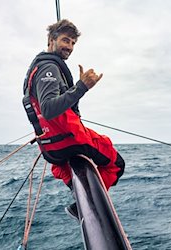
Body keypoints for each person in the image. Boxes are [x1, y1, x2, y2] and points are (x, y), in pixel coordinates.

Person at [22, 19, 125, 220]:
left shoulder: (39, 67)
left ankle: (80, 198)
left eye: (72, 43)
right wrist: (81, 87)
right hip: (69, 140)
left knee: (66, 170)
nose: (69, 47)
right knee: (117, 163)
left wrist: (73, 89)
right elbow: (49, 108)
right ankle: (88, 206)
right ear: (51, 40)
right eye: (65, 40)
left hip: (50, 148)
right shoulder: (49, 68)